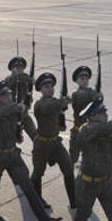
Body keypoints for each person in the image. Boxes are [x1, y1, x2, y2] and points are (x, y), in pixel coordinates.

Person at [0, 81, 62, 221]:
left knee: (26, 183)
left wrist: (18, 132)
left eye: (10, 95)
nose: (10, 97)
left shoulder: (12, 110)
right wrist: (15, 107)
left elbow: (17, 125)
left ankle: (43, 218)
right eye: (6, 95)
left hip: (13, 154)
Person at [31, 72, 76, 209]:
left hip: (55, 142)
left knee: (68, 168)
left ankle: (74, 200)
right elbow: (51, 106)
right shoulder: (40, 104)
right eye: (46, 86)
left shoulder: (55, 102)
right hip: (42, 143)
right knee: (38, 171)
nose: (50, 88)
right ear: (40, 89)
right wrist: (68, 99)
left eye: (51, 86)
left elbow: (58, 118)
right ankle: (37, 199)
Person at [69, 66, 99, 165]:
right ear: (77, 81)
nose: (85, 80)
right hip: (78, 130)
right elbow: (82, 96)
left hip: (89, 130)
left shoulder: (92, 93)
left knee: (90, 157)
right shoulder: (76, 94)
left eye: (87, 78)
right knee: (73, 156)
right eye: (82, 79)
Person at [4, 57, 37, 141]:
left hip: (24, 115)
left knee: (35, 137)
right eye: (16, 67)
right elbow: (9, 81)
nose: (19, 69)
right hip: (12, 117)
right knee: (11, 140)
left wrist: (26, 103)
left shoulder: (26, 79)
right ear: (11, 69)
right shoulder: (8, 80)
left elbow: (33, 90)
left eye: (21, 67)